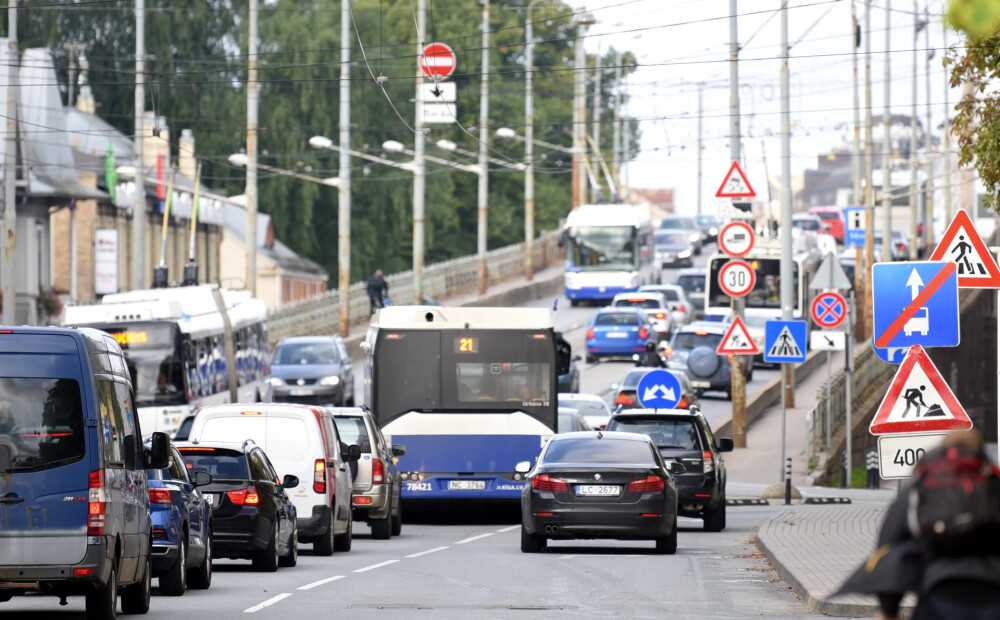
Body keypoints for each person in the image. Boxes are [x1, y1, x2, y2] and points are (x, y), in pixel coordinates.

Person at [836, 430, 1000, 620]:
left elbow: (890, 547)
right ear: (982, 450)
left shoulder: (923, 486)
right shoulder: (994, 483)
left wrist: (889, 609)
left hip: (937, 595)